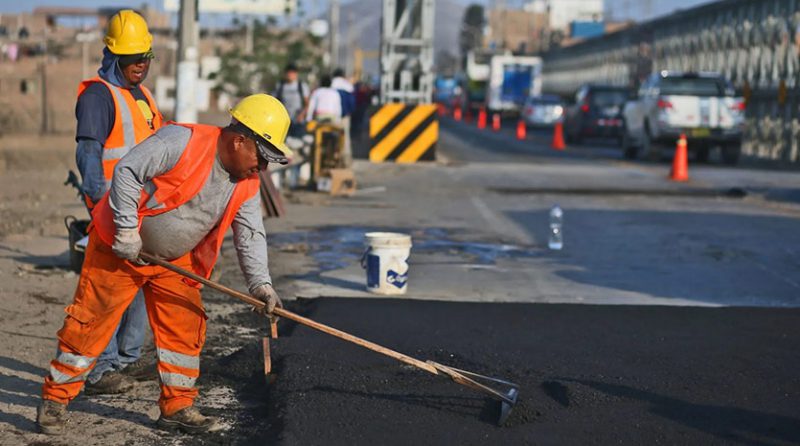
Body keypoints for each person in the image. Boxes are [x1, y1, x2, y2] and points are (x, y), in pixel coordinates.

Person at [37, 94, 291, 435]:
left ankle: (178, 407)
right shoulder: (182, 141)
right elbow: (127, 171)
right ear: (239, 140)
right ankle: (55, 401)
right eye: (261, 157)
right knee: (89, 324)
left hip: (174, 261)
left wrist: (261, 284)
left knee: (184, 329)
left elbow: (250, 233)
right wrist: (127, 231)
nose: (262, 167)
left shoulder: (247, 183)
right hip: (120, 248)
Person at [74, 9, 162, 395]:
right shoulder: (98, 95)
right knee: (108, 291)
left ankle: (125, 359)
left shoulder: (140, 94)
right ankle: (100, 368)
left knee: (141, 282)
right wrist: (98, 206)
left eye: (145, 57)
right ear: (113, 55)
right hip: (111, 208)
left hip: (144, 208)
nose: (140, 65)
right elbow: (89, 155)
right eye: (133, 58)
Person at [273, 63, 309, 137]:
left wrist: (302, 115)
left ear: (296, 74)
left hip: (298, 122)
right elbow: (274, 101)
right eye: (288, 72)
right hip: (284, 122)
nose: (290, 74)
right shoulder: (280, 86)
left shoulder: (302, 86)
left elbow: (307, 104)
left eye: (292, 72)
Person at [331, 68, 355, 166]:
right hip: (344, 116)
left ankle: (332, 159)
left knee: (332, 138)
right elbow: (352, 103)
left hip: (332, 117)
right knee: (345, 138)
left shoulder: (331, 84)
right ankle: (345, 162)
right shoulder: (347, 86)